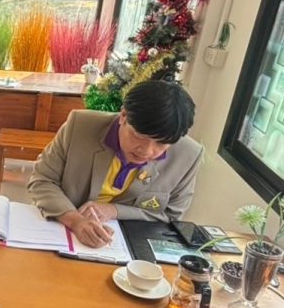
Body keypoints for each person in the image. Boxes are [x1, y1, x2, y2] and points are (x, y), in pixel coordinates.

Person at [28, 79, 203, 247]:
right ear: (123, 116)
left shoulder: (188, 155)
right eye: (139, 136)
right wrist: (76, 220)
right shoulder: (79, 126)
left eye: (162, 143)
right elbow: (42, 181)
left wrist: (114, 210)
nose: (147, 151)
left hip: (129, 247)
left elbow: (170, 216)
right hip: (60, 232)